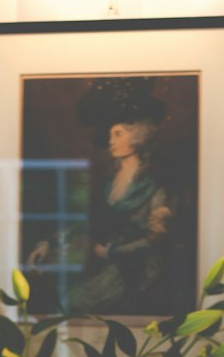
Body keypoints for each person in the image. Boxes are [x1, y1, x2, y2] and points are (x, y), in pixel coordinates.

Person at [26, 77, 187, 319]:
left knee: (74, 302)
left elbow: (156, 241)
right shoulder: (111, 180)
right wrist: (50, 243)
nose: (111, 141)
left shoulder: (156, 185)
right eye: (111, 134)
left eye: (118, 133)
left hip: (137, 270)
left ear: (138, 136)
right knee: (55, 295)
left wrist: (113, 252)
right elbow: (91, 222)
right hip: (106, 263)